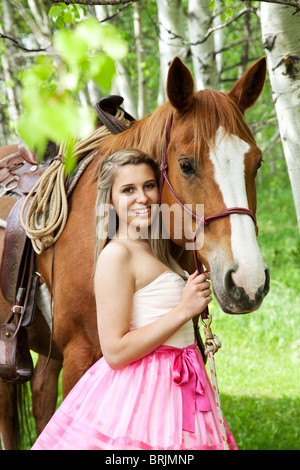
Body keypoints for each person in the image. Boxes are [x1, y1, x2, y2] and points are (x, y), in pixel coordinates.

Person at [32, 148, 238, 450]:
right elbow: (114, 351)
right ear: (111, 200)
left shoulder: (155, 249)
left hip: (182, 382)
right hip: (146, 393)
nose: (142, 198)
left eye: (148, 186)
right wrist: (183, 310)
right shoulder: (117, 255)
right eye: (128, 190)